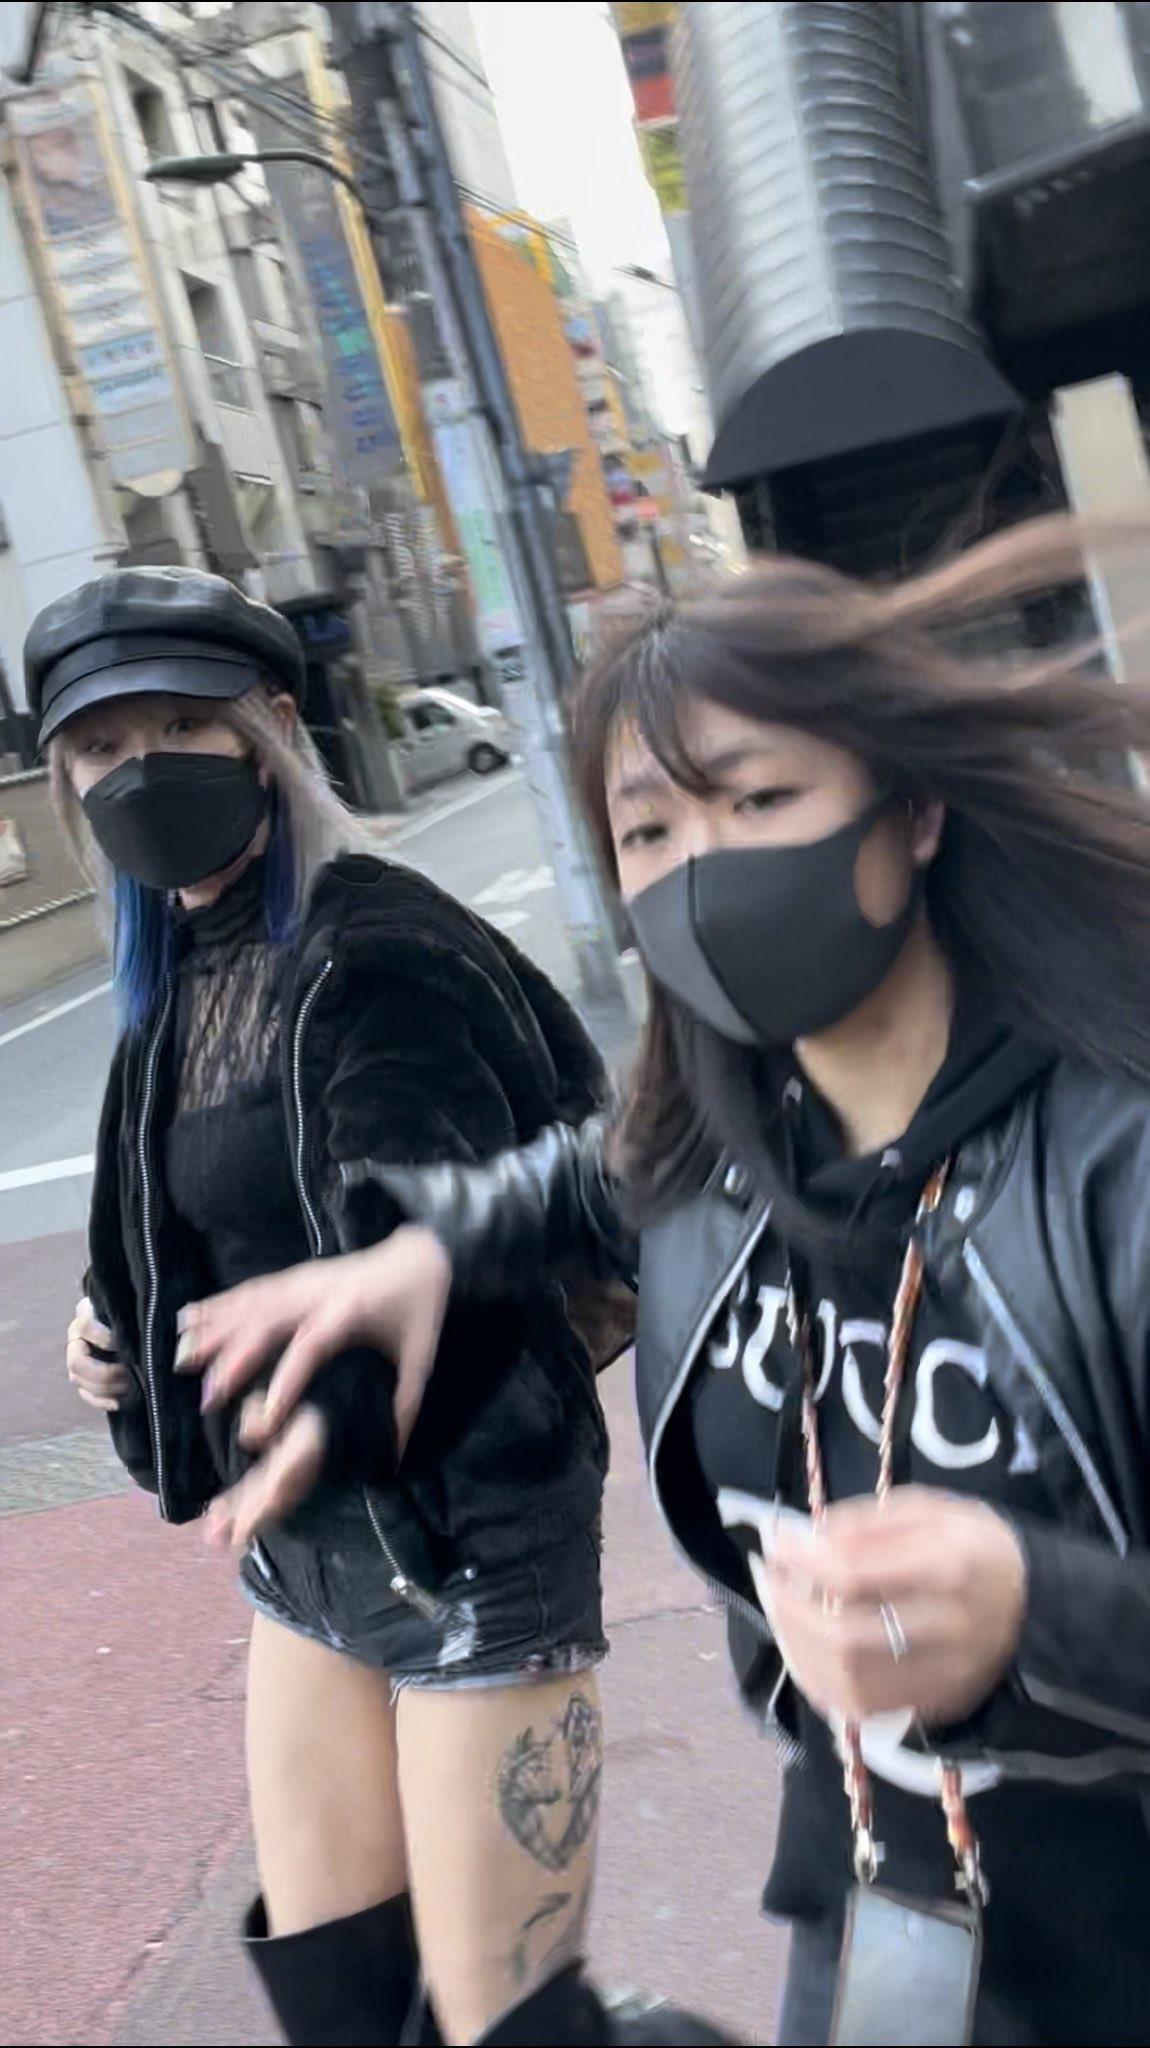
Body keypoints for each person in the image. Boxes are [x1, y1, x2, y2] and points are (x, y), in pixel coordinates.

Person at [182, 517, 1150, 2047]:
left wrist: (1039, 1610)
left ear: (911, 815)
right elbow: (590, 1178)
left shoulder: (1114, 1160)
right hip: (875, 1898)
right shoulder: (717, 1154)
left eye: (758, 800)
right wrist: (424, 1253)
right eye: (646, 833)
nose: (698, 875)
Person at [37, 566, 724, 2048]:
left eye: (180, 727)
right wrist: (116, 1336)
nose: (138, 770)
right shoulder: (179, 968)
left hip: (464, 1542)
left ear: (273, 730)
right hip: (303, 1556)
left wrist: (326, 1406)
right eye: (98, 746)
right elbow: (198, 1214)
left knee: (506, 2026)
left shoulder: (379, 950)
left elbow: (445, 1248)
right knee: (342, 1999)